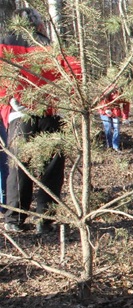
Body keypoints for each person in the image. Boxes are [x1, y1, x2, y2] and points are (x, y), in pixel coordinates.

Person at [0, 8, 82, 234]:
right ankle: (45, 220)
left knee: (19, 167)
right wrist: (68, 98)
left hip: (20, 113)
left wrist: (10, 99)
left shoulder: (4, 43)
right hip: (51, 111)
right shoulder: (50, 46)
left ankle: (15, 219)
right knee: (52, 168)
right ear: (38, 25)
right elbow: (75, 71)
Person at [98, 85, 130, 152]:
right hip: (104, 111)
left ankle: (116, 147)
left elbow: (126, 105)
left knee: (117, 128)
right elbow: (102, 100)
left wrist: (125, 118)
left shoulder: (123, 93)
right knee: (108, 127)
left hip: (115, 111)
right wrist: (106, 109)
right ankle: (109, 146)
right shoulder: (108, 90)